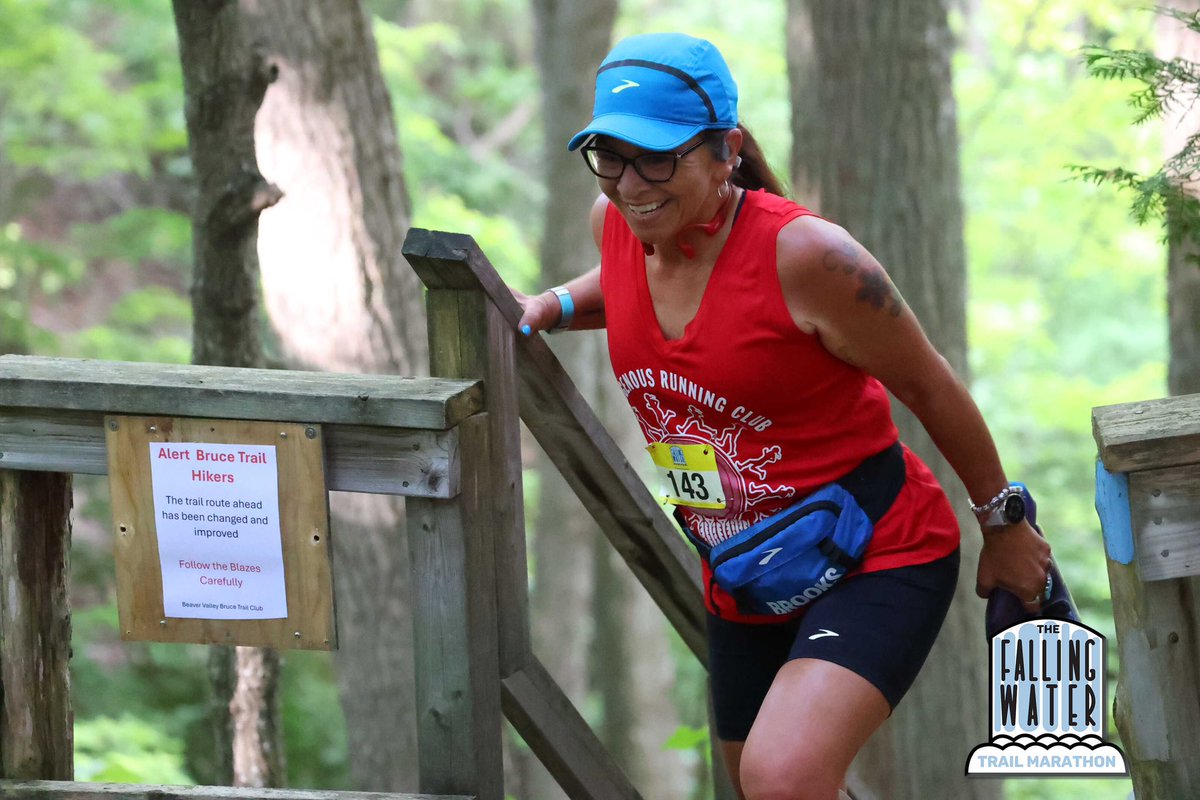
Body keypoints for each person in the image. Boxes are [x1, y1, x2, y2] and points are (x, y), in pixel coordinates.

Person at [514, 32, 1052, 800]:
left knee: (783, 776)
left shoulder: (808, 258)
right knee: (756, 785)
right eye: (611, 155)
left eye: (657, 158)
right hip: (746, 570)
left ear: (725, 150)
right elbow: (626, 278)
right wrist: (558, 305)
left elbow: (931, 387)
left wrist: (1004, 522)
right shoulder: (626, 226)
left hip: (876, 551)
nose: (630, 184)